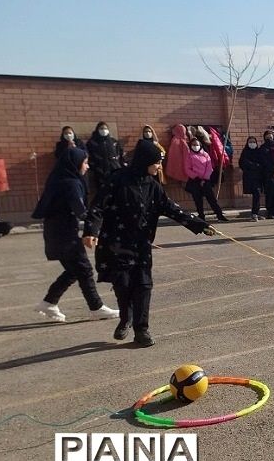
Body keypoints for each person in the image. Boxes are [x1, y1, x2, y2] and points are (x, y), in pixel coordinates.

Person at [83, 140, 213, 347]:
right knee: (123, 284)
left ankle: (141, 329)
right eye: (156, 163)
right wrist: (91, 230)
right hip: (116, 243)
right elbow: (98, 206)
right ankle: (126, 318)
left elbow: (171, 208)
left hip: (141, 244)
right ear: (144, 161)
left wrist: (199, 225)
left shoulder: (153, 186)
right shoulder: (117, 179)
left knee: (143, 285)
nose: (159, 167)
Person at [30, 145, 117, 322]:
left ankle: (49, 302)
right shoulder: (71, 183)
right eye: (85, 163)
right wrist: (102, 222)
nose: (87, 166)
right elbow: (81, 211)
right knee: (83, 269)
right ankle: (96, 307)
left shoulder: (59, 178)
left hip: (57, 232)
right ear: (75, 163)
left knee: (73, 270)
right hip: (64, 235)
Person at [184, 137, 228, 222]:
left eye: (197, 144)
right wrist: (196, 178)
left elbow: (209, 167)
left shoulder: (205, 154)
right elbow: (187, 169)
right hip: (195, 181)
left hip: (206, 181)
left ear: (200, 145)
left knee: (211, 199)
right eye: (193, 145)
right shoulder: (189, 156)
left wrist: (205, 178)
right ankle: (201, 216)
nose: (195, 146)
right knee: (198, 200)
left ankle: (219, 215)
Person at [84, 121, 124, 195]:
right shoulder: (92, 142)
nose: (104, 130)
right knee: (102, 194)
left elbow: (120, 155)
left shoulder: (113, 142)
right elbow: (89, 156)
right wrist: (95, 167)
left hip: (114, 171)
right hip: (100, 172)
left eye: (105, 128)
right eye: (101, 128)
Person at [239, 136, 265, 220]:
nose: (252, 144)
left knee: (257, 194)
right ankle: (254, 214)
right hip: (249, 177)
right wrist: (253, 166)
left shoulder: (259, 152)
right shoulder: (245, 152)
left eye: (254, 142)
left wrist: (257, 166)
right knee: (255, 193)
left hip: (258, 177)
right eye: (250, 142)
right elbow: (243, 163)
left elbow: (263, 163)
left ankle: (255, 213)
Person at [258, 130, 274, 218]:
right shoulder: (263, 148)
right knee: (270, 193)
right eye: (267, 137)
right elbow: (265, 162)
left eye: (271, 137)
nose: (269, 139)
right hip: (268, 174)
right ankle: (270, 212)